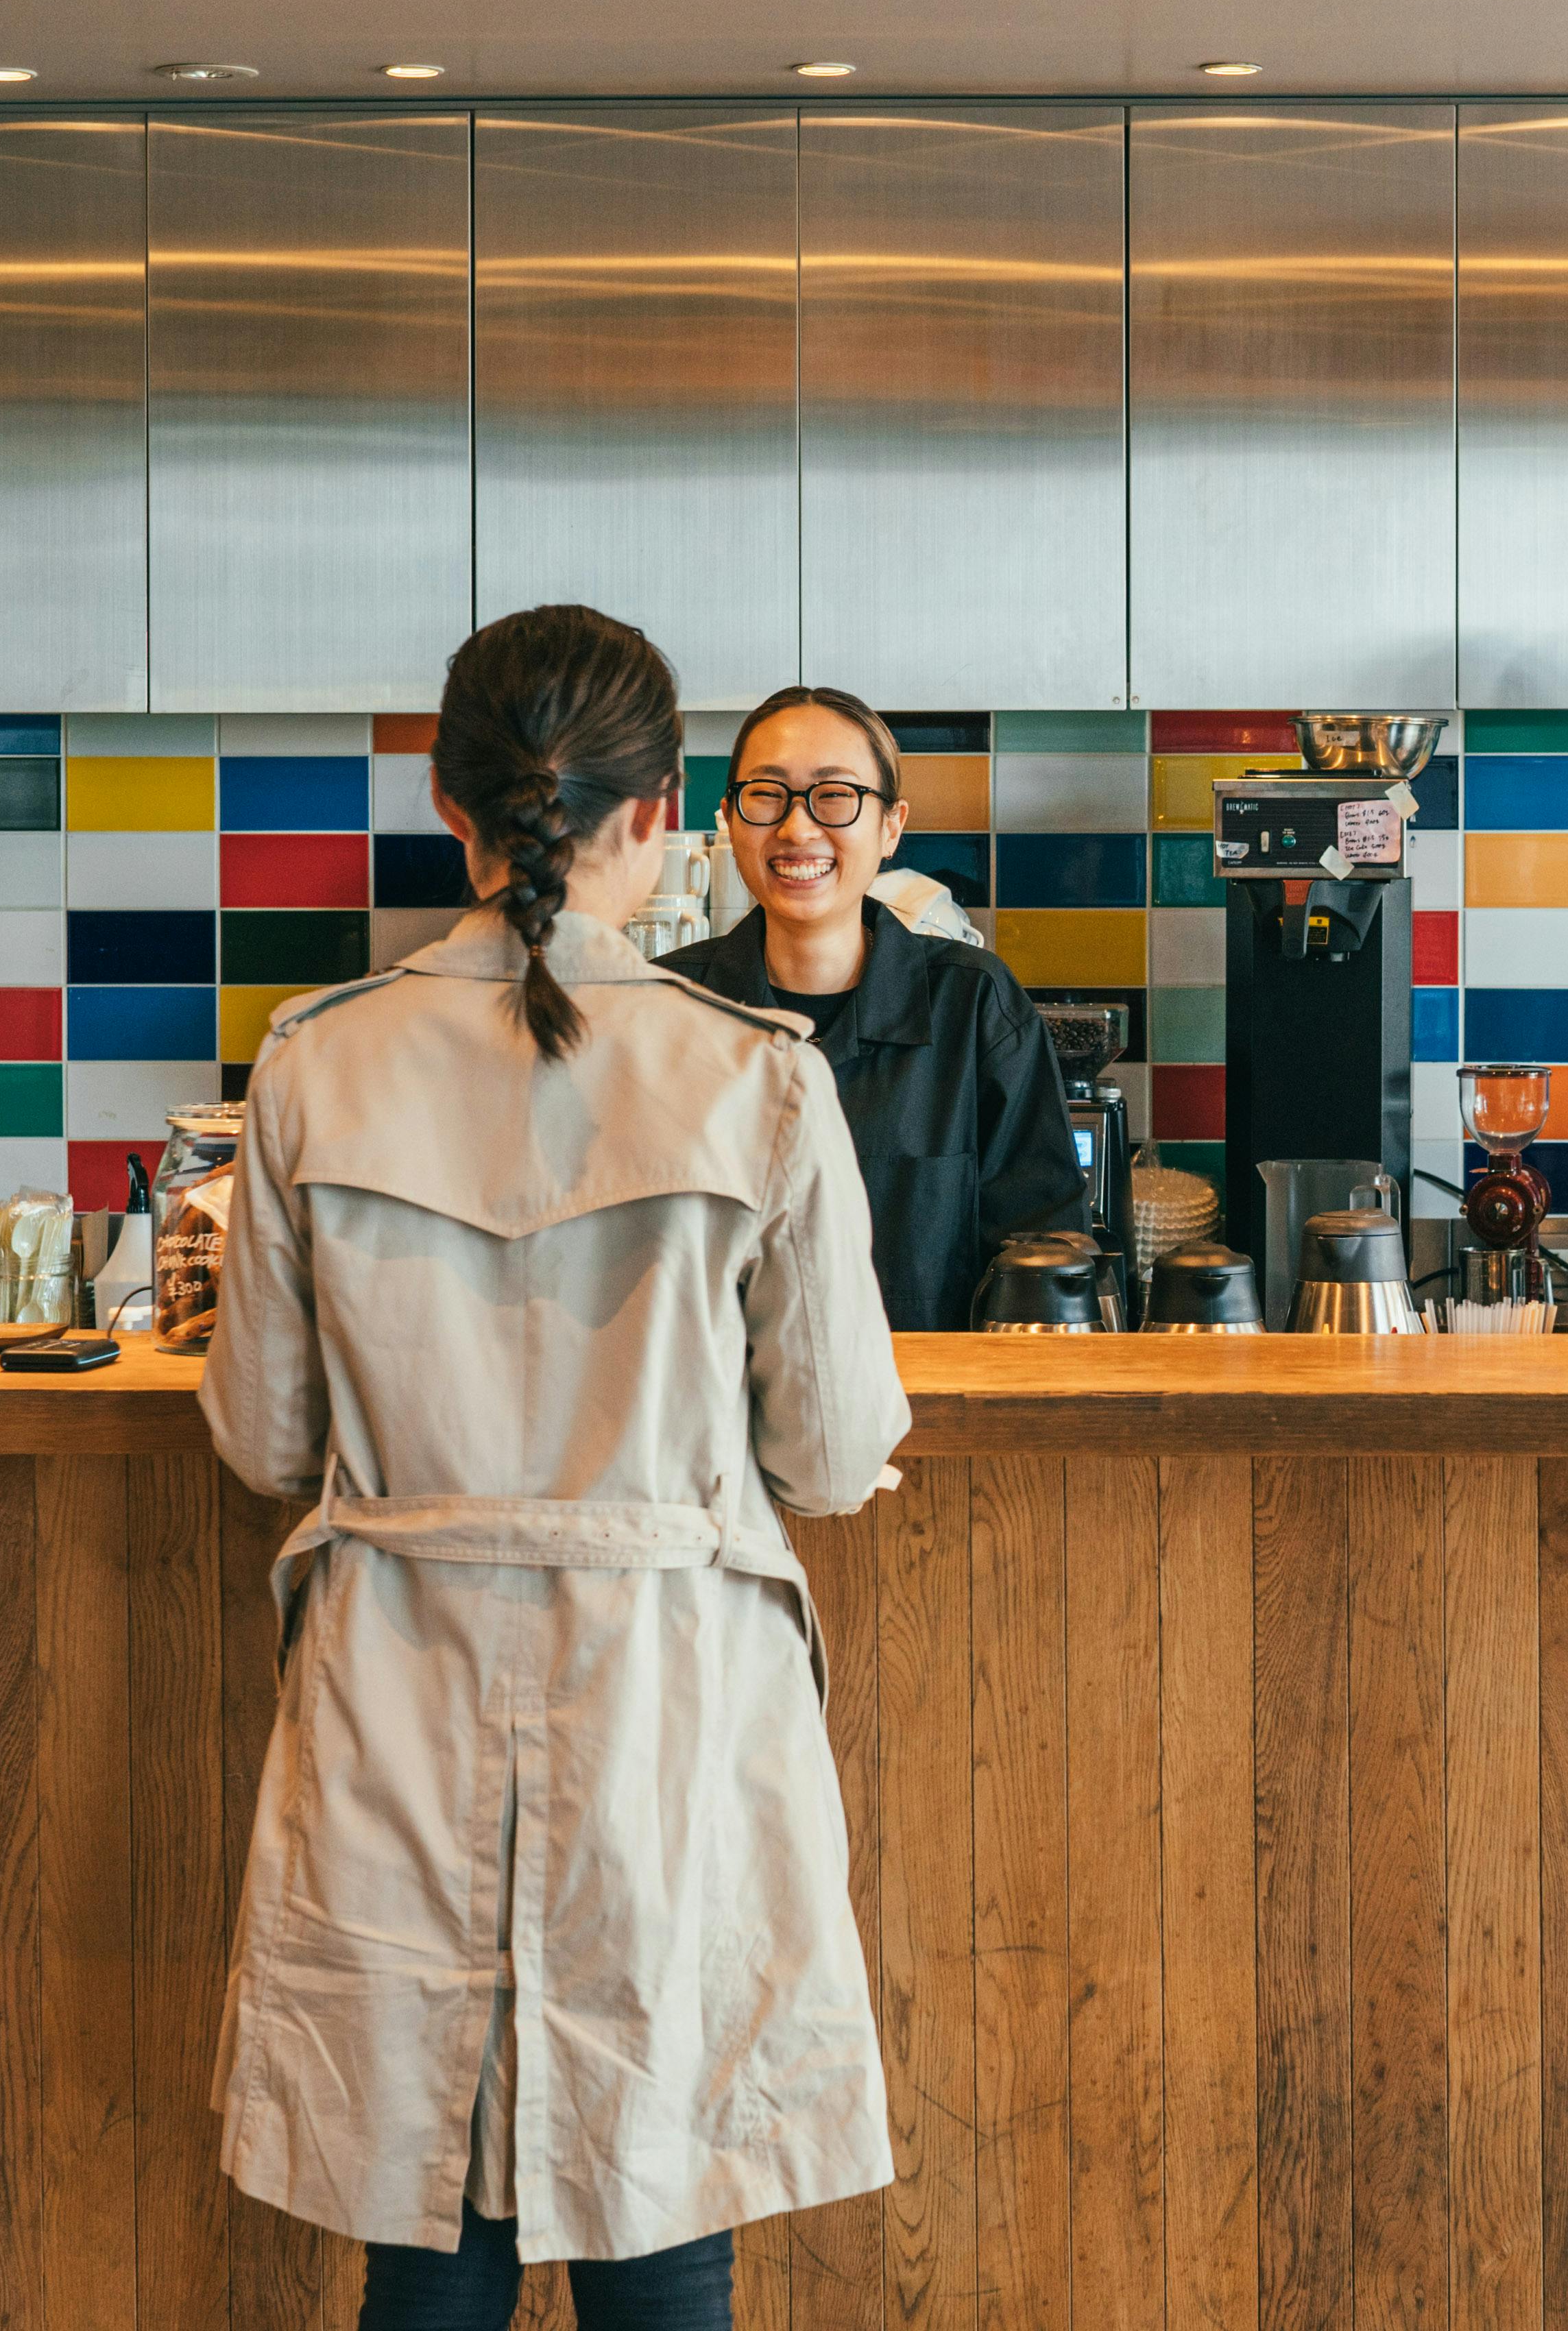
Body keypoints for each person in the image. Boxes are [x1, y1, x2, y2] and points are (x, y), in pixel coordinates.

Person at [201, 604, 907, 2330]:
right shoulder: (753, 1075)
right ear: (666, 811)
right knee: (661, 2202)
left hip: (400, 1689)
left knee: (427, 2214)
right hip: (663, 1692)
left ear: (448, 803)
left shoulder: (313, 1062)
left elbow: (263, 1437)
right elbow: (828, 1451)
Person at [661, 686, 1085, 1331]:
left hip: (931, 1419)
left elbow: (1046, 1262)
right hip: (717, 1421)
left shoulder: (974, 1008)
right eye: (766, 795)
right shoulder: (667, 1011)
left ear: (891, 826)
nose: (797, 828)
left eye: (835, 796)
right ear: (729, 819)